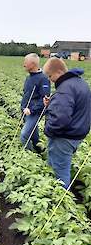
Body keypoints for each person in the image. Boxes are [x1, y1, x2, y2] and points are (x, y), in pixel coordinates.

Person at [43, 57, 91, 189]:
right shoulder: (79, 83)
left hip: (64, 136)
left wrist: (48, 130)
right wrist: (51, 104)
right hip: (76, 133)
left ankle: (61, 199)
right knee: (58, 165)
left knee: (60, 171)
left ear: (58, 72)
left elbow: (60, 119)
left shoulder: (65, 89)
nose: (50, 79)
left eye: (50, 75)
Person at [20, 53, 51, 152]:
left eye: (25, 62)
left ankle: (30, 155)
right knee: (33, 134)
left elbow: (45, 99)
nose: (24, 64)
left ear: (33, 64)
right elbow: (26, 95)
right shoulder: (29, 77)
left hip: (35, 112)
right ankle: (39, 149)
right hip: (26, 111)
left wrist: (31, 110)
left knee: (24, 135)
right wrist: (23, 107)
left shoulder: (43, 79)